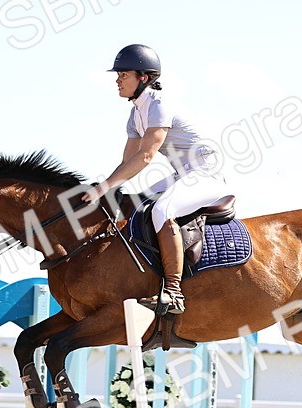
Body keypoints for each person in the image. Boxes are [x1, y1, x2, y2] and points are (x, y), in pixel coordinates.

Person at [80, 44, 230, 315]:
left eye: (123, 75)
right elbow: (128, 161)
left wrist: (105, 186)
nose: (117, 80)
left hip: (205, 172)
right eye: (118, 75)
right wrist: (106, 189)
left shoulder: (159, 104)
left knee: (163, 210)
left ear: (144, 78)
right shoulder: (135, 113)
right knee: (136, 204)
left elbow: (146, 156)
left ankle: (173, 291)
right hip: (181, 173)